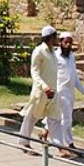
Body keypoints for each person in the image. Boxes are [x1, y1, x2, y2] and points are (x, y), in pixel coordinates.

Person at [49, 31, 84, 158]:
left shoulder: (71, 57)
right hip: (59, 90)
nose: (68, 45)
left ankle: (46, 133)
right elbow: (51, 74)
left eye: (70, 42)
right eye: (65, 42)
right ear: (60, 42)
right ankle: (66, 144)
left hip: (70, 91)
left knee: (65, 118)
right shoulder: (55, 57)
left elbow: (74, 77)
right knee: (65, 119)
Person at [18, 25, 60, 154]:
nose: (56, 39)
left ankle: (61, 147)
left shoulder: (53, 52)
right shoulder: (39, 51)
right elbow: (34, 72)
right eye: (55, 36)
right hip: (41, 91)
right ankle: (24, 142)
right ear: (50, 37)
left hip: (53, 92)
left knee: (55, 117)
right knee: (31, 116)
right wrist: (44, 86)